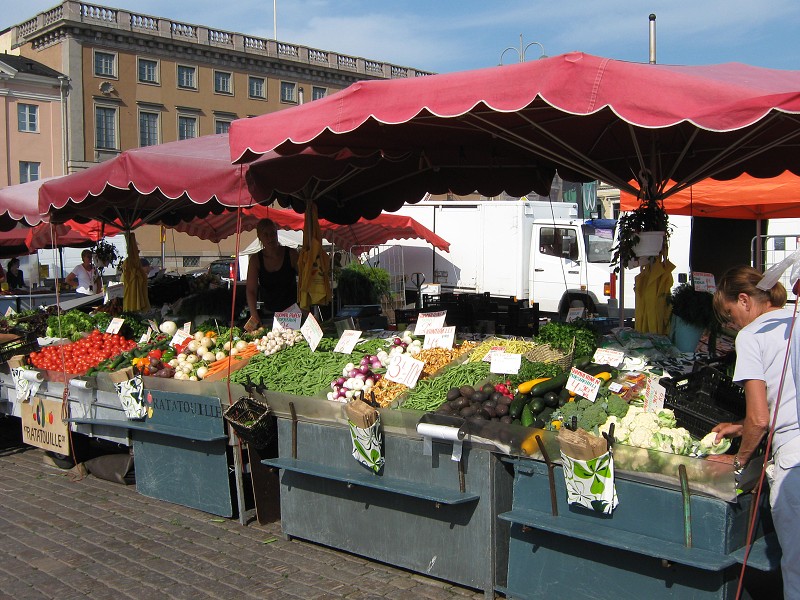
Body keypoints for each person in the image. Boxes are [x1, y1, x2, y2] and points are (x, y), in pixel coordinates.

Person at [711, 266, 800, 598]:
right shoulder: (796, 316)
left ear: (745, 300)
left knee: (797, 571)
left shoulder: (752, 335)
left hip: (795, 463)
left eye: (732, 315)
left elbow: (760, 418)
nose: (734, 324)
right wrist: (741, 426)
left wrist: (737, 460)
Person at [245, 219, 299, 331]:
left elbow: (305, 281)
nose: (270, 238)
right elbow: (251, 290)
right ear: (259, 236)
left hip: (293, 313)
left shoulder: (292, 254)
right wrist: (254, 314)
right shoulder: (255, 260)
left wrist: (305, 308)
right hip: (268, 312)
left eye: (273, 233)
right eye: (266, 234)